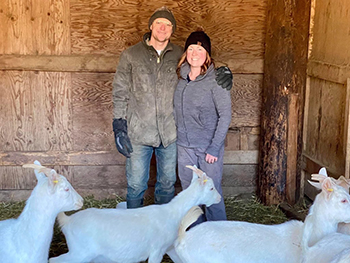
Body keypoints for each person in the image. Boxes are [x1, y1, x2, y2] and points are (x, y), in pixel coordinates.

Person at [112, 6, 233, 208]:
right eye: (159, 22)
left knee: (167, 184)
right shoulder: (131, 55)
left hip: (169, 134)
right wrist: (119, 124)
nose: (163, 27)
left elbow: (202, 63)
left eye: (168, 24)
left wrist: (225, 71)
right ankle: (133, 230)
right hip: (139, 132)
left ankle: (164, 232)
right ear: (151, 25)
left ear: (172, 30)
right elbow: (120, 91)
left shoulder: (180, 54)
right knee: (135, 184)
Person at [173, 30, 232, 221]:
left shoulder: (217, 81)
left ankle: (218, 237)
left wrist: (214, 148)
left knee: (211, 192)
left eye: (200, 49)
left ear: (207, 54)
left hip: (208, 148)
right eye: (191, 49)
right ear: (185, 53)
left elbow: (225, 115)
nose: (195, 53)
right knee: (190, 193)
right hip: (184, 146)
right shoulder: (180, 78)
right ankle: (194, 234)